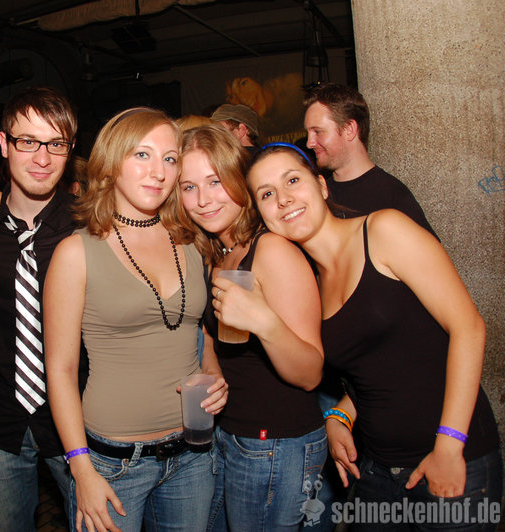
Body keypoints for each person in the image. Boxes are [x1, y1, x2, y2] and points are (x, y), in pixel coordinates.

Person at [246, 143, 502, 531]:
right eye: (266, 194)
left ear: (322, 186)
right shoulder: (313, 284)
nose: (283, 199)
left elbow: (468, 327)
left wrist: (449, 446)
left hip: (451, 457)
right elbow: (382, 367)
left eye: (292, 181)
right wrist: (340, 415)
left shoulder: (383, 231)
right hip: (377, 469)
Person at [45, 107, 228, 532]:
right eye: (142, 155)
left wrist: (213, 371)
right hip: (112, 463)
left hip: (193, 455)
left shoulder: (192, 241)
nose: (158, 172)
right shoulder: (76, 252)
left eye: (169, 159)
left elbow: (201, 328)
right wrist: (81, 468)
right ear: (111, 163)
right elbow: (60, 369)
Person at [176, 126, 326, 531]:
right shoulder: (217, 250)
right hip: (233, 436)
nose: (203, 199)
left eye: (215, 182)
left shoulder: (271, 250)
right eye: (189, 187)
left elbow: (310, 373)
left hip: (276, 443)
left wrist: (262, 320)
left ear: (237, 178)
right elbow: (210, 333)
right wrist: (212, 368)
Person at [0, 85, 78, 531]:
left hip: (78, 419)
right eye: (28, 142)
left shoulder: (89, 226)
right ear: (4, 144)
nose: (42, 157)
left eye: (56, 144)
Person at [302, 82, 435, 235]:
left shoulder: (391, 195)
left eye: (318, 132)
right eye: (308, 133)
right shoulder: (318, 194)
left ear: (349, 129)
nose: (309, 143)